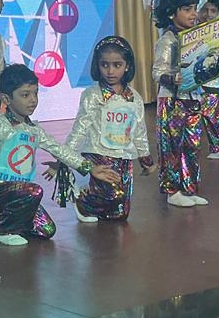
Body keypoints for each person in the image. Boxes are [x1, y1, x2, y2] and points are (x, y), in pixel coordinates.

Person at [0, 64, 119, 246]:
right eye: (25, 95)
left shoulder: (34, 130)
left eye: (35, 93)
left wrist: (90, 168)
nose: (33, 100)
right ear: (6, 98)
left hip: (21, 192)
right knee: (34, 190)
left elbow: (58, 149)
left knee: (46, 230)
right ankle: (1, 228)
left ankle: (5, 215)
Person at [62, 36, 153, 223]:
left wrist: (145, 158)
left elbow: (139, 131)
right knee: (113, 195)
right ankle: (82, 200)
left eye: (117, 65)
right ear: (97, 65)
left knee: (121, 213)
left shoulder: (134, 97)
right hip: (98, 152)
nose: (110, 71)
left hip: (123, 155)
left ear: (127, 66)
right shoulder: (92, 95)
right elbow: (80, 127)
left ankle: (96, 198)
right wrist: (64, 157)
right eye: (105, 65)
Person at [153, 0, 207, 208]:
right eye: (187, 9)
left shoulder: (197, 37)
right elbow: (157, 71)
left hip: (193, 99)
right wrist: (171, 78)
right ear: (172, 13)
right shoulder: (168, 40)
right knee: (171, 146)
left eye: (195, 8)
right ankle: (172, 190)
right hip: (172, 100)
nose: (193, 14)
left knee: (192, 145)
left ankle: (189, 188)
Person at [196, 0, 219, 160]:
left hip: (214, 81)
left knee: (212, 114)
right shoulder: (191, 29)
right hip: (194, 80)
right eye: (204, 9)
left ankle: (218, 146)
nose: (208, 14)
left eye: (213, 10)